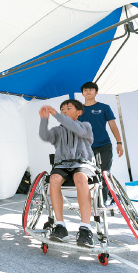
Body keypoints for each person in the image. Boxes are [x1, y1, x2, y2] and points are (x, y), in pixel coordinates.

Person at [39, 99, 95, 247]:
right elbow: (45, 136)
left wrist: (57, 114)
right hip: (63, 164)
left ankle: (85, 228)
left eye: (68, 108)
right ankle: (60, 226)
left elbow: (76, 129)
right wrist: (44, 120)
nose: (64, 111)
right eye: (62, 109)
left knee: (80, 178)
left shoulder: (85, 126)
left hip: (82, 163)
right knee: (54, 179)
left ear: (79, 112)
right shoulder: (58, 130)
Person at [79, 82, 123, 205]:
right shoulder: (79, 110)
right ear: (82, 93)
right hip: (87, 147)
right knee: (89, 174)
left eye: (90, 90)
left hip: (104, 145)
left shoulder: (104, 107)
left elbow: (113, 125)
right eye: (85, 90)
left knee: (104, 172)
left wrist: (119, 142)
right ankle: (107, 197)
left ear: (96, 92)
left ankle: (102, 202)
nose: (88, 92)